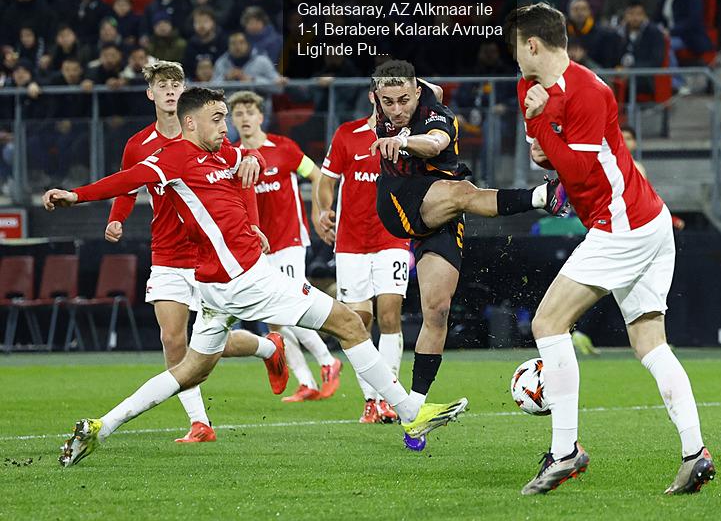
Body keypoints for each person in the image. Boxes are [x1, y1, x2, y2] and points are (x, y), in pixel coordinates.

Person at [45, 87, 469, 466]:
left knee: (191, 369)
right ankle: (411, 414)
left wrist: (250, 159)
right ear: (190, 122)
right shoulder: (173, 157)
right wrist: (75, 196)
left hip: (215, 285)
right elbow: (128, 179)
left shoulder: (222, 153)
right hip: (245, 280)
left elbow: (253, 155)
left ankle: (102, 426)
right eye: (217, 119)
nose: (226, 126)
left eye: (227, 118)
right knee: (348, 323)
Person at [507, 2, 714, 495]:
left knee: (547, 323)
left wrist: (541, 126)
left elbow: (574, 171)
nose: (513, 56)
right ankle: (695, 452)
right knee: (650, 342)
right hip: (646, 220)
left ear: (532, 44)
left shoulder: (590, 91)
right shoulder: (527, 89)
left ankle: (565, 452)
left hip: (624, 227)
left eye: (515, 46)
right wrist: (540, 129)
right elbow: (547, 155)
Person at [371, 60, 568, 447]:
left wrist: (405, 140)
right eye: (388, 102)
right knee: (464, 195)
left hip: (440, 209)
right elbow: (403, 88)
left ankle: (414, 411)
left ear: (417, 93)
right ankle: (542, 196)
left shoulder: (437, 114)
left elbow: (436, 143)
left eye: (404, 100)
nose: (396, 109)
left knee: (438, 309)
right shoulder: (387, 96)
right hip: (399, 201)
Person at [103, 61, 278, 443]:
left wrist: (252, 223)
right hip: (167, 253)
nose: (170, 90)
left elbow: (244, 172)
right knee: (172, 340)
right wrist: (117, 218)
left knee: (210, 344)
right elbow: (126, 185)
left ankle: (268, 347)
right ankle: (200, 423)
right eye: (162, 85)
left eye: (176, 84)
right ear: (150, 93)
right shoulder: (138, 145)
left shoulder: (208, 136)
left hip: (210, 256)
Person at [229, 90, 343, 403]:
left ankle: (327, 361)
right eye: (238, 114)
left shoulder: (283, 148)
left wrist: (322, 209)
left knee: (290, 306)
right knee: (275, 317)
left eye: (250, 112)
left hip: (289, 240)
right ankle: (306, 382)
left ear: (261, 116)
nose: (244, 119)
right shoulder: (232, 156)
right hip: (257, 248)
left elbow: (317, 174)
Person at [316, 83, 413, 424]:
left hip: (393, 237)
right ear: (374, 97)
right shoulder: (347, 134)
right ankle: (370, 400)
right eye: (385, 97)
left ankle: (387, 400)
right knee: (358, 323)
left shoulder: (409, 139)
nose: (392, 105)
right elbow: (326, 181)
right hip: (351, 242)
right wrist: (322, 211)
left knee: (389, 314)